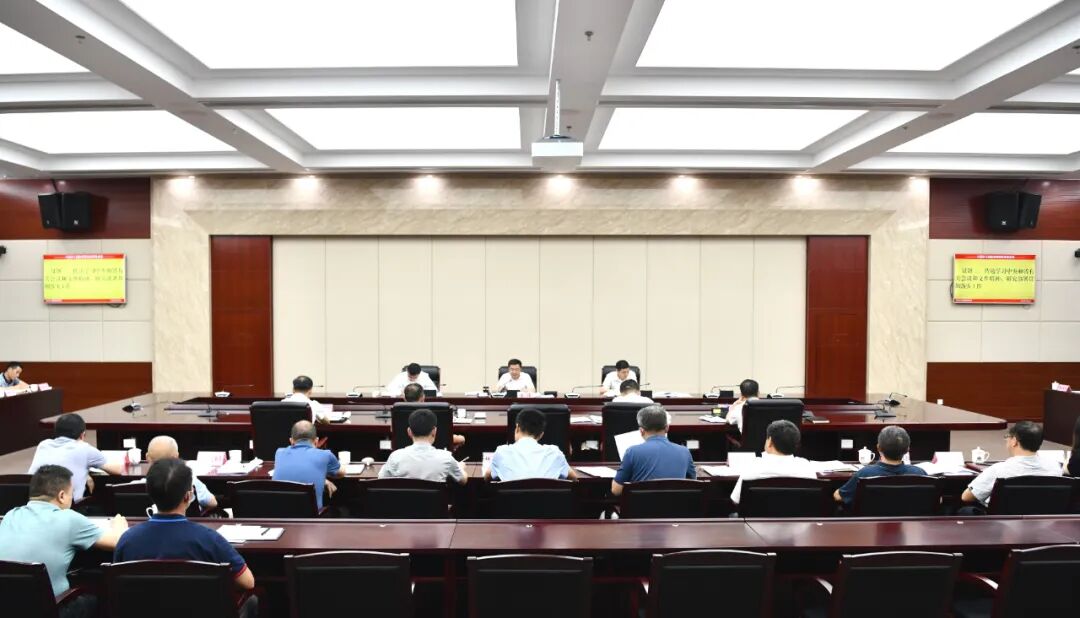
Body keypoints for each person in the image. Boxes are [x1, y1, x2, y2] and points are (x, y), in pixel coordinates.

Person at [114, 458, 257, 618]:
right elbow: (247, 582)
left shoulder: (127, 540)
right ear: (188, 496)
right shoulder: (209, 539)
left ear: (149, 493)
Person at [0, 465, 127, 618]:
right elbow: (119, 542)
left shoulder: (10, 515)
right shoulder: (69, 518)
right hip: (50, 609)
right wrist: (119, 524)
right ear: (61, 496)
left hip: (6, 606)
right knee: (97, 598)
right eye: (71, 494)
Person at [961, 421, 1063, 509]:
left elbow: (966, 497)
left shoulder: (999, 469)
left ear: (1014, 441)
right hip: (1044, 523)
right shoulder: (1054, 467)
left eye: (1007, 437)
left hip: (1003, 524)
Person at [28, 413, 124, 501]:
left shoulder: (43, 445)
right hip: (68, 507)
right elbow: (118, 470)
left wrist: (85, 474)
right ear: (82, 435)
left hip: (33, 503)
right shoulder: (84, 448)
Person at [611, 404, 695, 496]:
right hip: (675, 504)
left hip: (642, 505)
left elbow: (616, 490)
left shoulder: (632, 452)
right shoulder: (685, 452)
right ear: (667, 428)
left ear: (641, 431)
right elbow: (693, 485)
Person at [833, 426, 927, 505]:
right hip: (909, 521)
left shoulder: (865, 473)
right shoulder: (919, 473)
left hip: (871, 521)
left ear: (878, 448)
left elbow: (838, 496)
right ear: (907, 450)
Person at [731, 420, 816, 505]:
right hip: (796, 513)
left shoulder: (754, 465)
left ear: (770, 441)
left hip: (759, 513)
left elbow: (736, 500)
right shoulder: (806, 467)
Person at [379, 409, 468, 484]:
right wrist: (460, 467)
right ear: (434, 431)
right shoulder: (446, 457)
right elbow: (463, 480)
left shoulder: (396, 456)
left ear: (409, 432)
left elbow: (381, 478)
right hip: (434, 501)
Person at [487, 408, 576, 481]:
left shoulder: (502, 452)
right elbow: (574, 478)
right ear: (541, 435)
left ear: (517, 428)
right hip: (546, 498)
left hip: (512, 498)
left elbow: (487, 477)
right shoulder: (555, 453)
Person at [272, 420, 345, 510]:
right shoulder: (325, 455)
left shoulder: (279, 453)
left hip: (278, 514)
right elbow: (341, 473)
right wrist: (323, 479)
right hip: (311, 516)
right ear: (316, 441)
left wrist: (322, 479)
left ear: (291, 441)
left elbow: (295, 471)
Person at [132, 435, 217, 510]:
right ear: (176, 457)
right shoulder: (191, 481)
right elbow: (213, 503)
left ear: (147, 457)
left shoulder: (133, 487)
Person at [403, 383, 466, 448]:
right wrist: (461, 438)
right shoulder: (431, 414)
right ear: (423, 397)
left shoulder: (399, 412)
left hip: (403, 452)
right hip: (435, 451)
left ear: (404, 398)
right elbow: (443, 437)